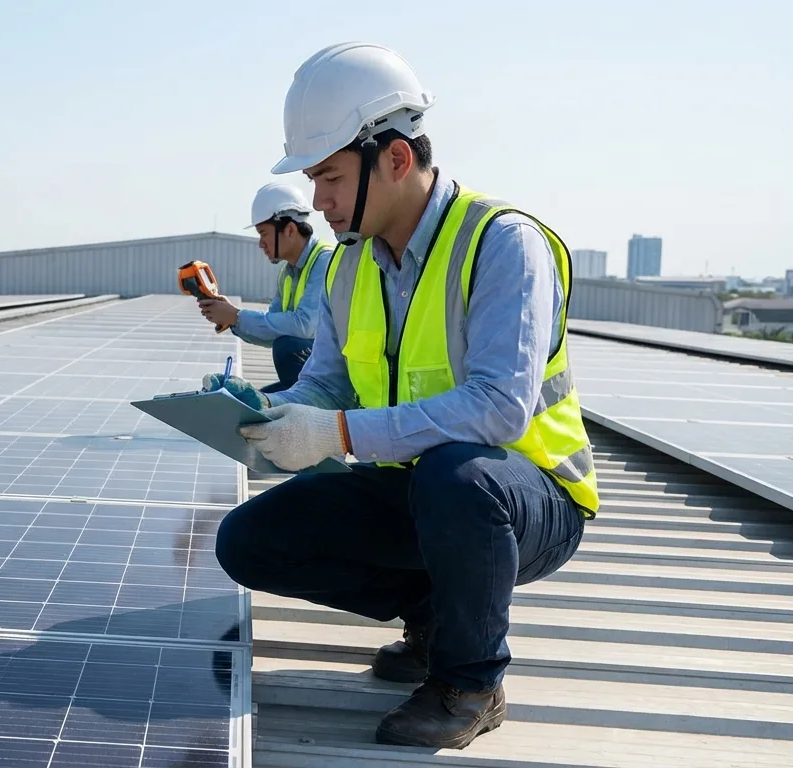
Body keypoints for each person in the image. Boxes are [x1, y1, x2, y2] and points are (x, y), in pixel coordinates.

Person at [204, 42, 600, 750]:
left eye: (328, 177)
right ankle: (436, 616)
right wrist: (264, 415)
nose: (317, 201)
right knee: (250, 540)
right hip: (419, 492)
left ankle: (470, 682)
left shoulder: (502, 244)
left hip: (525, 498)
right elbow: (326, 381)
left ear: (394, 158)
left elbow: (498, 410)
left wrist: (338, 436)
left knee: (457, 475)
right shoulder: (349, 267)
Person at [197, 183, 336, 393]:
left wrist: (237, 316)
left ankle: (314, 410)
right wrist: (231, 320)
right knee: (253, 404)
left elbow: (304, 326)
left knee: (287, 349)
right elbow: (272, 331)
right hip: (317, 369)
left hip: (338, 377)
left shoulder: (324, 261)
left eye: (264, 234)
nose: (261, 243)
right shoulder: (287, 273)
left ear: (289, 229)